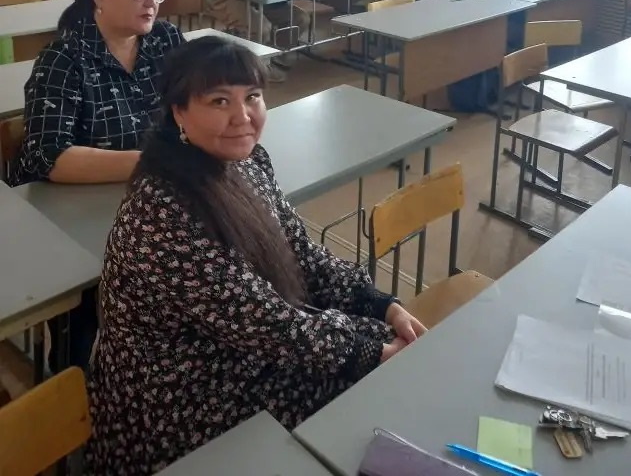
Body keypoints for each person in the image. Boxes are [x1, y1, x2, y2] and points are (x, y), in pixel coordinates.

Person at [86, 37, 426, 475]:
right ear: (178, 112)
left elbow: (303, 255)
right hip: (179, 400)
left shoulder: (248, 163)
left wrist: (380, 303)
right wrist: (369, 352)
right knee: (364, 379)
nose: (242, 116)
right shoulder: (164, 210)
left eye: (252, 97)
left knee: (378, 346)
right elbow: (267, 324)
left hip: (238, 349)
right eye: (219, 101)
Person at [9, 0, 183, 372]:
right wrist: (154, 162)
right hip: (63, 213)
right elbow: (50, 157)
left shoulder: (165, 40)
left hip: (140, 198)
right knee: (88, 304)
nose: (152, 0)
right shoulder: (63, 59)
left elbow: (192, 105)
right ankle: (74, 375)